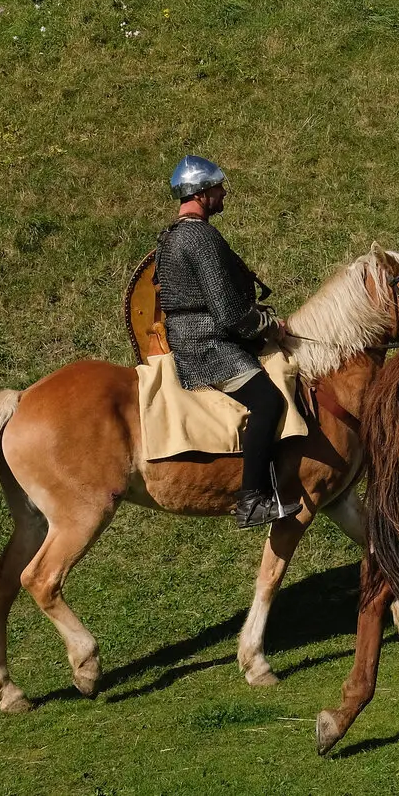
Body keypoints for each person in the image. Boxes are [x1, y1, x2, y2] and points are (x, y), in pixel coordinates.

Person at [156, 155, 302, 527]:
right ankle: (251, 499)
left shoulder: (172, 236)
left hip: (196, 336)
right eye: (218, 188)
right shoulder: (200, 237)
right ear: (202, 194)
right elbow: (231, 314)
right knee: (268, 401)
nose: (223, 194)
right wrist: (272, 327)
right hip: (208, 346)